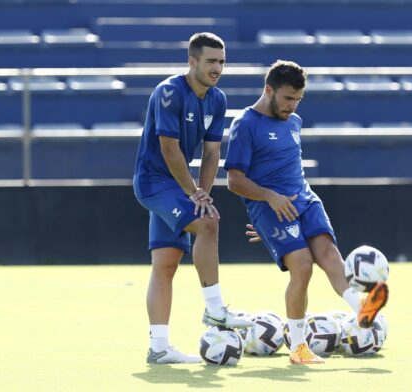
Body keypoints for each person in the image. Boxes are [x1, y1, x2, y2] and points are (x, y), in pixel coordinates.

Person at [224, 60, 389, 365]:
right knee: (303, 265)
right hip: (270, 207)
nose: (292, 106)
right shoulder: (245, 124)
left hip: (305, 199)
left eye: (298, 99)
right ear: (268, 89)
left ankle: (361, 307)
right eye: (287, 98)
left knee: (328, 253)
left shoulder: (294, 121)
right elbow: (234, 180)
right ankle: (299, 347)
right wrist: (270, 200)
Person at [133, 32, 252, 365]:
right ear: (192, 61)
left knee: (166, 263)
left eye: (222, 62)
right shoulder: (168, 92)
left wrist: (204, 192)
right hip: (155, 183)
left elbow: (212, 153)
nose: (218, 68)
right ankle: (215, 310)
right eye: (211, 61)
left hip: (178, 186)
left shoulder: (218, 99)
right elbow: (169, 149)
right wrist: (193, 192)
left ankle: (158, 347)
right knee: (208, 223)